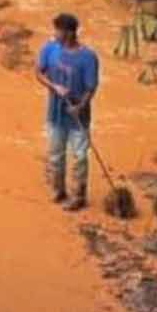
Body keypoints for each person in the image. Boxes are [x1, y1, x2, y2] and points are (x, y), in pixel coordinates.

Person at [35, 12, 100, 211]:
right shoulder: (50, 49)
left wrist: (79, 106)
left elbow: (91, 88)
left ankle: (78, 196)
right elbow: (38, 72)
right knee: (55, 154)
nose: (55, 34)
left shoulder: (88, 57)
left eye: (59, 31)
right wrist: (54, 87)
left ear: (70, 33)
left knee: (79, 156)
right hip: (55, 113)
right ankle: (58, 190)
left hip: (78, 115)